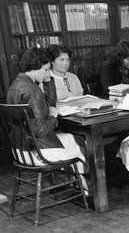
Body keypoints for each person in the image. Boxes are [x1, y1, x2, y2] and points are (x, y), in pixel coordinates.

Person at [7, 48, 88, 190]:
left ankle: (76, 181)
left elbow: (50, 104)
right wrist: (52, 116)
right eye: (45, 70)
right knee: (78, 140)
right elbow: (40, 130)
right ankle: (86, 185)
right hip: (38, 152)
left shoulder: (15, 85)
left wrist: (48, 81)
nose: (47, 73)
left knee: (69, 138)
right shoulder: (33, 91)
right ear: (35, 67)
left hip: (19, 150)